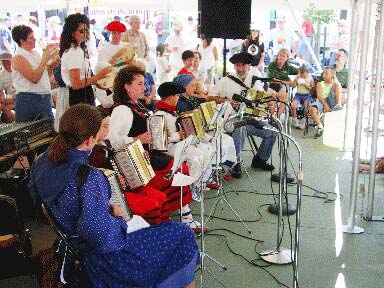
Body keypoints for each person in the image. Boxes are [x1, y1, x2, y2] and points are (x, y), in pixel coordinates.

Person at [29, 103, 198, 288]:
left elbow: (43, 202)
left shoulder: (42, 162)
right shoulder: (89, 177)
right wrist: (117, 218)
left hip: (72, 245)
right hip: (101, 261)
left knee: (161, 229)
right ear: (89, 140)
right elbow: (101, 236)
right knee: (182, 234)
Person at [107, 63, 205, 232]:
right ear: (127, 87)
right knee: (175, 169)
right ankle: (181, 219)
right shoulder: (123, 110)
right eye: (139, 84)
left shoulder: (137, 106)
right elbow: (111, 140)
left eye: (143, 83)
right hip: (134, 165)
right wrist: (137, 139)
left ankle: (183, 217)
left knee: (177, 167)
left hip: (146, 157)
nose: (144, 87)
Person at [211, 52, 277, 177]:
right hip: (231, 119)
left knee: (272, 132)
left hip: (250, 119)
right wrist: (227, 101)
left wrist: (268, 105)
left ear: (249, 66)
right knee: (240, 129)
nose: (240, 69)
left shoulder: (255, 81)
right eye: (237, 66)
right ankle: (235, 163)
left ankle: (260, 160)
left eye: (243, 66)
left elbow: (263, 100)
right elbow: (210, 96)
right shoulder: (226, 80)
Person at [60, 13, 111, 107]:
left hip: (83, 93)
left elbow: (83, 77)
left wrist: (97, 82)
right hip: (79, 95)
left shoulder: (78, 49)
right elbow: (76, 84)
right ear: (72, 32)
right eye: (81, 31)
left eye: (86, 30)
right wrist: (98, 77)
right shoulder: (74, 52)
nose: (85, 34)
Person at [11, 25, 55, 122]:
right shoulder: (18, 57)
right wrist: (44, 60)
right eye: (31, 38)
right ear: (22, 41)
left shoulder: (35, 53)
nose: (34, 39)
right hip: (28, 99)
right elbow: (34, 78)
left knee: (49, 131)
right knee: (27, 134)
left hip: (44, 98)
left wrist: (51, 66)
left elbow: (44, 76)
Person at [95, 20, 131, 110]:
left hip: (126, 80)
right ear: (111, 34)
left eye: (119, 33)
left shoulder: (126, 46)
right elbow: (102, 68)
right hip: (111, 82)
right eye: (114, 33)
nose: (117, 36)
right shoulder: (105, 49)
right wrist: (116, 56)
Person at [308, 66, 342, 138]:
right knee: (312, 109)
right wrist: (325, 105)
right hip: (322, 101)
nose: (324, 75)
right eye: (323, 73)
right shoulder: (320, 84)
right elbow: (319, 96)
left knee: (338, 85)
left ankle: (338, 105)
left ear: (332, 75)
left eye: (326, 74)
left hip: (332, 101)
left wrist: (334, 79)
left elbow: (338, 87)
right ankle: (320, 127)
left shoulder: (335, 84)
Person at [267, 48, 299, 118]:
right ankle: (271, 117)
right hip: (271, 85)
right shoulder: (272, 65)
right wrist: (289, 82)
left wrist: (296, 80)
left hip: (283, 87)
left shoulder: (287, 67)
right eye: (280, 55)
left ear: (287, 58)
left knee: (283, 97)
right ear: (277, 56)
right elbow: (273, 80)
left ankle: (277, 117)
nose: (281, 57)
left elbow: (301, 71)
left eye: (284, 56)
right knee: (273, 96)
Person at [290, 65, 314, 129]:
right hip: (298, 94)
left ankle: (304, 120)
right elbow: (293, 86)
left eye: (303, 73)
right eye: (300, 73)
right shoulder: (298, 77)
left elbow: (312, 89)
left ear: (306, 72)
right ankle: (295, 120)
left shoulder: (310, 78)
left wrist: (305, 85)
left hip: (307, 95)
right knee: (293, 106)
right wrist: (296, 80)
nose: (301, 74)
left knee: (306, 106)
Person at [0, 52, 15, 122]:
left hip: (21, 96)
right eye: (3, 63)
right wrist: (3, 100)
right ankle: (10, 127)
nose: (6, 65)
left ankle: (15, 127)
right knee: (2, 106)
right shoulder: (2, 74)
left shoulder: (18, 70)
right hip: (9, 98)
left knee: (6, 108)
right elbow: (0, 91)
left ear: (12, 61)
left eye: (8, 63)